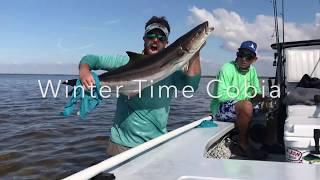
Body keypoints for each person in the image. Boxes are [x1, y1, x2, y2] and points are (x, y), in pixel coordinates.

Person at [78, 16, 201, 156]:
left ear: (167, 42)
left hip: (157, 143)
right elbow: (91, 60)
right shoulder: (125, 62)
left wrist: (195, 52)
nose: (155, 40)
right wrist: (84, 72)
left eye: (161, 37)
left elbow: (191, 86)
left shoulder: (173, 70)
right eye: (151, 35)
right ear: (144, 38)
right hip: (121, 143)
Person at [210, 40, 268, 160]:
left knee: (273, 105)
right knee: (246, 106)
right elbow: (221, 96)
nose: (244, 59)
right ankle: (243, 145)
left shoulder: (252, 71)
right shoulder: (227, 68)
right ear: (237, 54)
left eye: (249, 56)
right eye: (241, 54)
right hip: (221, 109)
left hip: (241, 106)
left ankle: (270, 142)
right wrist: (244, 102)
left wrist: (263, 98)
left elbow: (254, 91)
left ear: (254, 59)